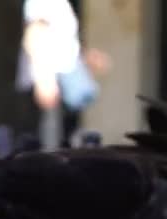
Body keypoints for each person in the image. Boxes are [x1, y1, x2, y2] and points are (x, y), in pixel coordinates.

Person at [15, 0, 110, 149]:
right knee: (47, 148)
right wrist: (43, 78)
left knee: (66, 142)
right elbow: (35, 34)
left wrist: (86, 57)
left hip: (64, 81)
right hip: (50, 81)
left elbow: (63, 42)